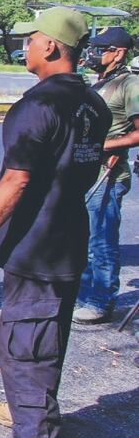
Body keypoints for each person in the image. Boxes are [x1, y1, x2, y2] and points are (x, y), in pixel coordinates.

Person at [0, 6, 109, 438]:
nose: (25, 46)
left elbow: (17, 180)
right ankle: (28, 408)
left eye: (31, 39)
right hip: (68, 233)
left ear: (50, 46)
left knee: (25, 341)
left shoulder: (38, 106)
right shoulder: (94, 104)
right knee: (48, 333)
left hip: (37, 240)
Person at [73, 27, 139, 323]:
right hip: (82, 170)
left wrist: (106, 146)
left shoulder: (130, 85)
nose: (93, 54)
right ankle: (84, 294)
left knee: (100, 238)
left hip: (108, 173)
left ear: (119, 53)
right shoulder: (96, 83)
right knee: (81, 236)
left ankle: (101, 300)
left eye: (101, 49)